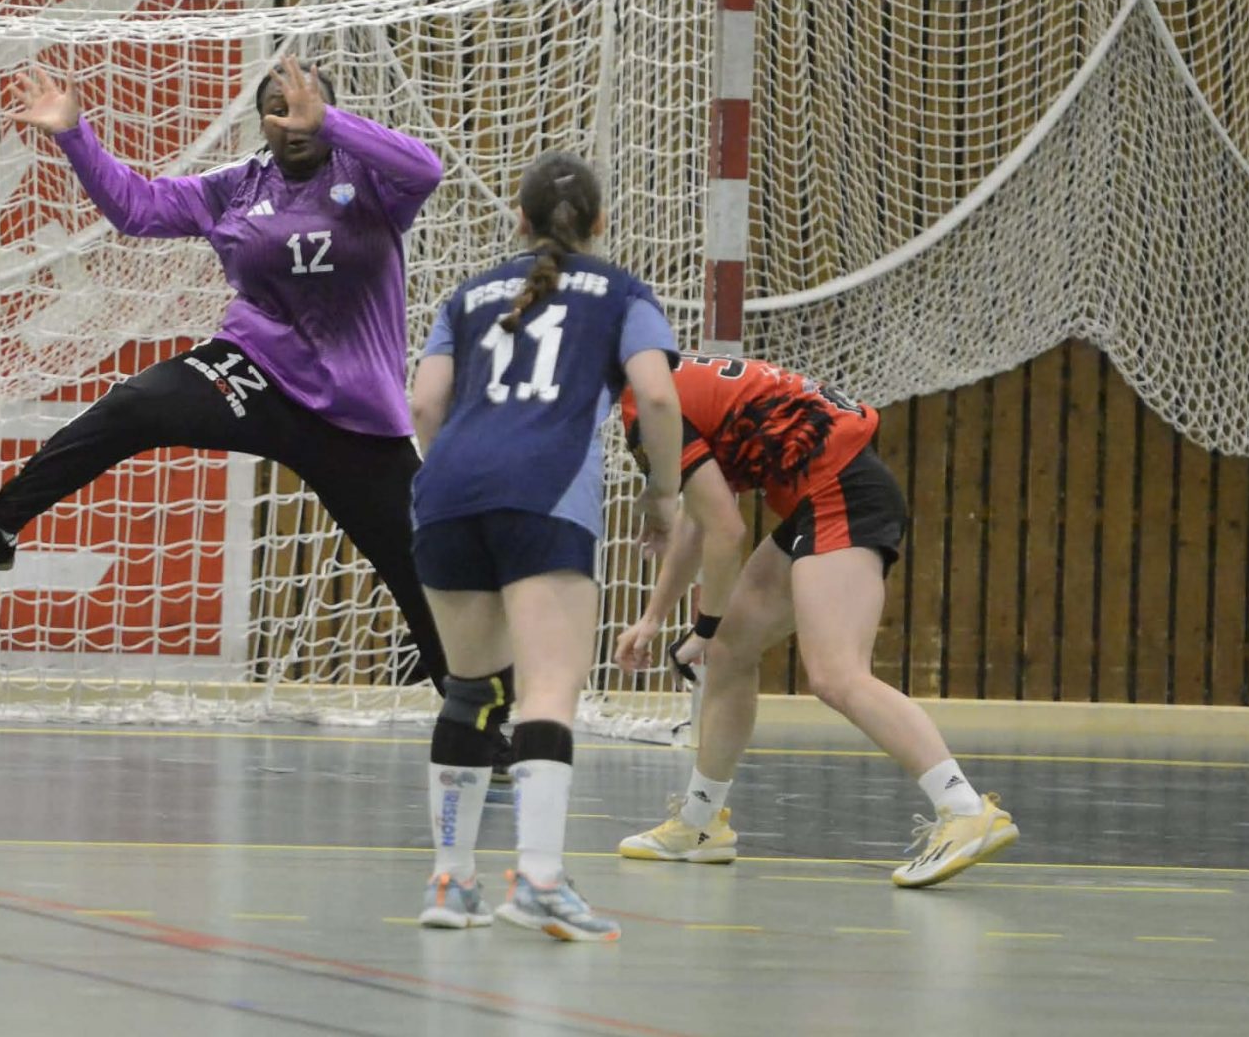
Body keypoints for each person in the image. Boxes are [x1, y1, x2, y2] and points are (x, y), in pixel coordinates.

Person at [0, 58, 492, 736]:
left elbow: (427, 169)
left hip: (353, 415)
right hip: (255, 370)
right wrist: (74, 135)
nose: (293, 120)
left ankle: (480, 718)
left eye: (306, 107)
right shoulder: (238, 187)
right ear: (262, 122)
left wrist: (333, 123)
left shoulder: (370, 179)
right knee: (132, 406)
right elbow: (137, 209)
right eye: (278, 109)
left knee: (417, 568)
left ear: (329, 113)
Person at [610, 353, 1018, 887]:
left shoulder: (648, 401)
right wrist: (654, 618)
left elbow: (726, 531)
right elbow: (699, 518)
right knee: (730, 648)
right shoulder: (671, 380)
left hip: (839, 493)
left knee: (836, 674)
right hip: (824, 494)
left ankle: (964, 810)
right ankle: (700, 822)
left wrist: (701, 625)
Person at [407, 151, 682, 941]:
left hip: (446, 491)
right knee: (548, 691)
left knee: (470, 690)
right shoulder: (623, 293)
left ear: (519, 220)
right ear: (600, 223)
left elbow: (424, 405)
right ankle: (538, 881)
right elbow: (658, 397)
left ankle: (451, 883)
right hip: (545, 490)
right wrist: (662, 493)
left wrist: (462, 473)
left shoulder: (466, 296)